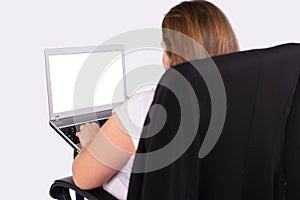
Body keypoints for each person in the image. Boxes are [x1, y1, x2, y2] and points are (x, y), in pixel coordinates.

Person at [72, 1, 240, 199]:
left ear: (172, 56)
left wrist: (92, 139)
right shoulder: (247, 101)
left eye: (164, 50)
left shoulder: (145, 108)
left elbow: (83, 178)